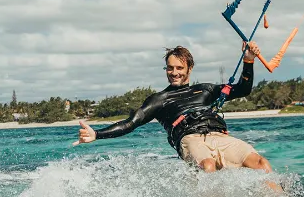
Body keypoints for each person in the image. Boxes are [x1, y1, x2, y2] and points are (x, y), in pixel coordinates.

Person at [75, 42, 273, 173]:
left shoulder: (206, 89)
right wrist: (97, 134)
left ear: (189, 69)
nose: (174, 73)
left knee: (260, 164)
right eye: (170, 68)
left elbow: (243, 89)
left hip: (218, 136)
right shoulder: (160, 99)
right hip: (189, 139)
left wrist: (248, 60)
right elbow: (131, 123)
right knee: (208, 166)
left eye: (179, 68)